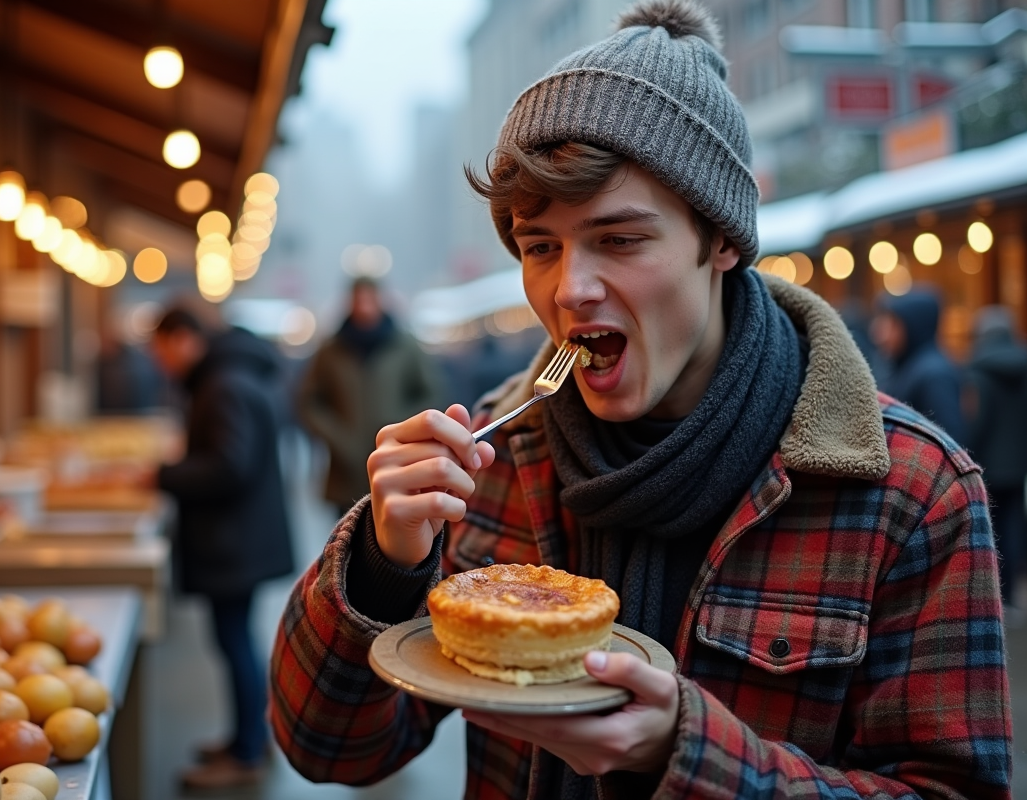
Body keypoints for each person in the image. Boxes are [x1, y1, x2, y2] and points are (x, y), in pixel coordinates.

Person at [270, 3, 1011, 799]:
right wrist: (384, 564)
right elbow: (328, 748)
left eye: (620, 240)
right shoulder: (491, 459)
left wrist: (685, 757)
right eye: (540, 247)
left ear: (721, 240)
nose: (570, 289)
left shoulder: (910, 491)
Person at [147, 307, 294, 790]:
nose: (161, 361)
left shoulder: (223, 384)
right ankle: (248, 737)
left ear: (185, 339)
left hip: (234, 540)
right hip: (241, 537)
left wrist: (163, 475)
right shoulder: (231, 375)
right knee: (237, 641)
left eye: (162, 348)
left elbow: (230, 466)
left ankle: (247, 751)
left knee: (234, 644)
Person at [297, 277, 441, 515]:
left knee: (394, 536)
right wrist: (336, 435)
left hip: (396, 462)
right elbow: (309, 401)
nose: (364, 306)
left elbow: (431, 392)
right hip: (346, 469)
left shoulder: (404, 345)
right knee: (346, 541)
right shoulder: (331, 349)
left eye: (369, 298)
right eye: (358, 299)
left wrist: (404, 427)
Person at [966, 305, 1027, 610]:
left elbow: (979, 420)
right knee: (1014, 524)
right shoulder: (1023, 363)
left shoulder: (978, 370)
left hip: (989, 461)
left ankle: (997, 596)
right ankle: (1015, 596)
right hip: (1018, 463)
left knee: (992, 529)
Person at [871, 287, 966, 441]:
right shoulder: (906, 365)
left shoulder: (934, 374)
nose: (881, 334)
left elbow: (950, 441)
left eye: (893, 324)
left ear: (913, 326)